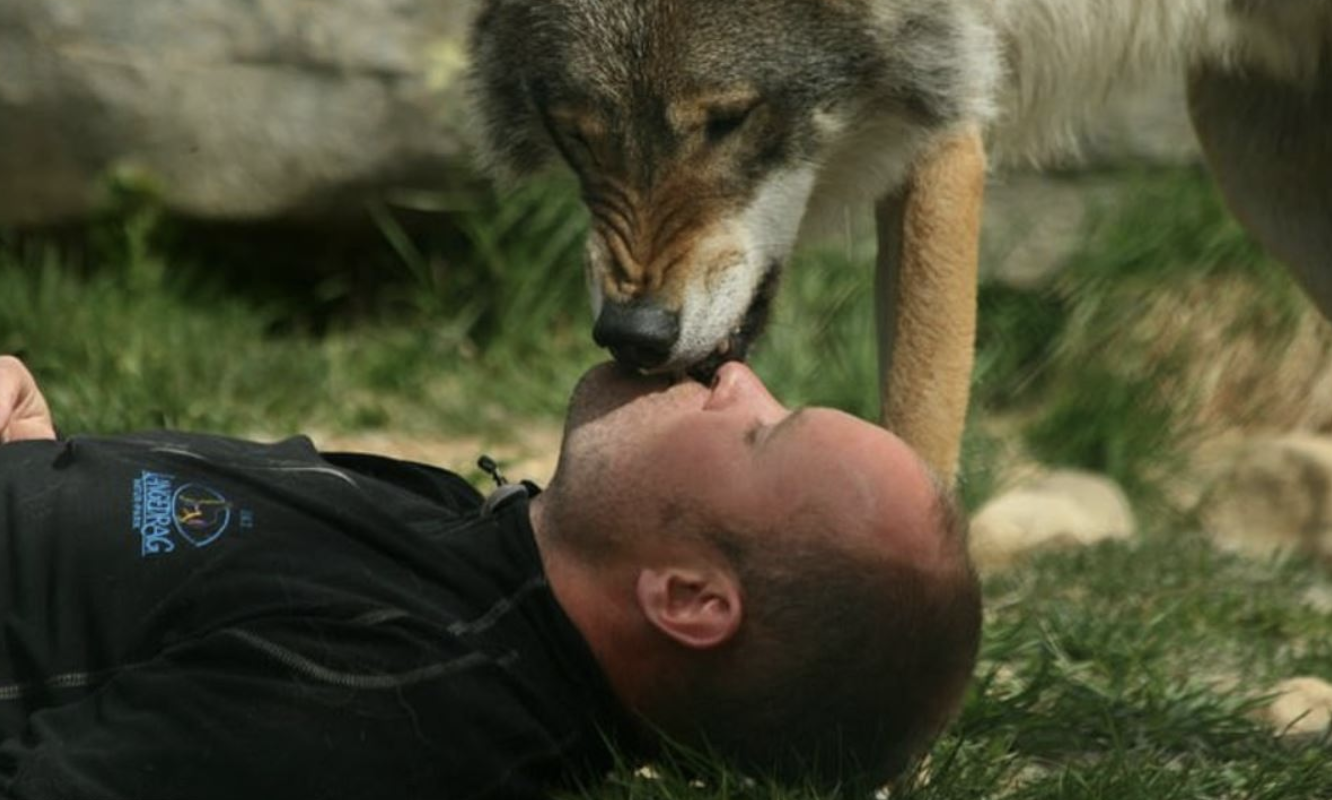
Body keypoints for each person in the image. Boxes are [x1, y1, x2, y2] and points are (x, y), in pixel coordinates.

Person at [0, 354, 981, 799]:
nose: (735, 374)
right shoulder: (484, 560)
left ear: (688, 597)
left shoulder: (390, 705)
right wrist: (34, 454)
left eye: (766, 430)